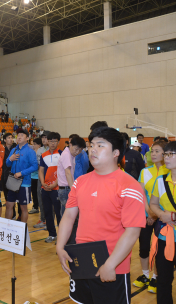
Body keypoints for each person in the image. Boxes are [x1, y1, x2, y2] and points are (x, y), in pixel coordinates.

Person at [57, 126, 146, 304]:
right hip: (82, 262)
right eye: (91, 145)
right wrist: (60, 246)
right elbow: (68, 216)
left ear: (116, 153)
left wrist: (111, 265)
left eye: (100, 145)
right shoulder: (80, 182)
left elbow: (132, 232)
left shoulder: (130, 186)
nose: (93, 149)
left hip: (112, 265)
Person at [148, 140, 176, 304]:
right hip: (164, 238)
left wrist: (173, 217)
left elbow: (172, 215)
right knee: (163, 281)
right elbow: (153, 204)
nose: (166, 157)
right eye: (166, 154)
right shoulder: (161, 181)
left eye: (171, 154)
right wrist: (162, 215)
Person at [132, 141, 168, 294]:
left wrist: (156, 214)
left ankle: (156, 276)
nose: (153, 154)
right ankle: (145, 275)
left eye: (157, 151)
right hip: (146, 215)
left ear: (165, 154)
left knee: (159, 249)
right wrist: (149, 212)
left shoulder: (171, 171)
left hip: (163, 217)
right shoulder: (145, 171)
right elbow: (141, 194)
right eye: (152, 151)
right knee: (144, 246)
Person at [5, 129, 38, 223]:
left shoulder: (30, 151)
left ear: (27, 138)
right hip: (12, 182)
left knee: (23, 207)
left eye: (21, 135)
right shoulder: (14, 150)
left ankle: (23, 230)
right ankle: (8, 227)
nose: (19, 137)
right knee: (9, 205)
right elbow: (7, 164)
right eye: (18, 135)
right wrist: (10, 159)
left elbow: (35, 166)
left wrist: (21, 173)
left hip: (24, 183)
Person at [39, 132, 62, 243]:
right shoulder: (44, 155)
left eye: (55, 141)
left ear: (58, 142)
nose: (53, 143)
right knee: (47, 212)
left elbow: (62, 171)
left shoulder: (62, 154)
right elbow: (41, 170)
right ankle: (52, 234)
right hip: (45, 188)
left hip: (57, 189)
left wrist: (55, 184)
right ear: (47, 141)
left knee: (59, 213)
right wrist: (43, 183)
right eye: (51, 141)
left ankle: (62, 236)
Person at [57, 136, 86, 215]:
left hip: (65, 189)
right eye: (76, 149)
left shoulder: (70, 155)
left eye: (80, 150)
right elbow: (68, 173)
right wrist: (73, 190)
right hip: (66, 190)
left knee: (65, 214)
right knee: (69, 215)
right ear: (70, 144)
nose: (77, 152)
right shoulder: (67, 154)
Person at [29, 137, 43, 215]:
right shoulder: (32, 152)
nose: (33, 145)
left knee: (39, 194)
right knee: (34, 193)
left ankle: (41, 207)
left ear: (39, 145)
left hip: (39, 177)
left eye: (34, 144)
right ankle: (35, 207)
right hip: (32, 176)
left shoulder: (40, 153)